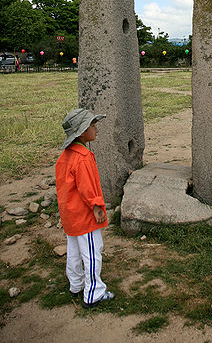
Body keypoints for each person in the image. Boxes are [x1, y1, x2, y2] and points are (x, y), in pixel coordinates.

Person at [56, 108, 115, 309]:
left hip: (70, 215)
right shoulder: (83, 157)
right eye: (92, 125)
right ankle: (93, 293)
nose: (96, 129)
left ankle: (76, 284)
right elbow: (88, 188)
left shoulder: (65, 156)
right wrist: (97, 207)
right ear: (82, 132)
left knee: (73, 251)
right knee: (92, 251)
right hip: (84, 216)